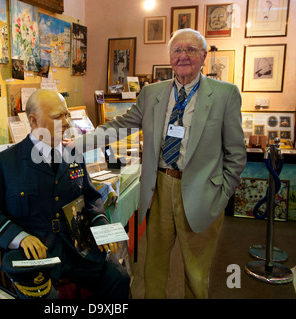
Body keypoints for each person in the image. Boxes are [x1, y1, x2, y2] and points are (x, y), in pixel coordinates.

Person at [70, 28, 246, 298]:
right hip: (159, 188)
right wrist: (74, 145)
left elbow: (236, 154)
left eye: (190, 50)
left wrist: (221, 195)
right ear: (169, 57)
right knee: (154, 265)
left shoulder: (225, 94)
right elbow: (119, 126)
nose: (183, 56)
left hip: (202, 192)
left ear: (203, 56)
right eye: (177, 50)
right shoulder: (151, 93)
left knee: (196, 273)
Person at [0, 89, 130, 299]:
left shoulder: (73, 153)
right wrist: (20, 238)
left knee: (118, 277)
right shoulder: (5, 163)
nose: (66, 122)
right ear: (34, 120)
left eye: (66, 115)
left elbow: (90, 197)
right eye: (58, 117)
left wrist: (101, 225)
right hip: (36, 252)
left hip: (77, 246)